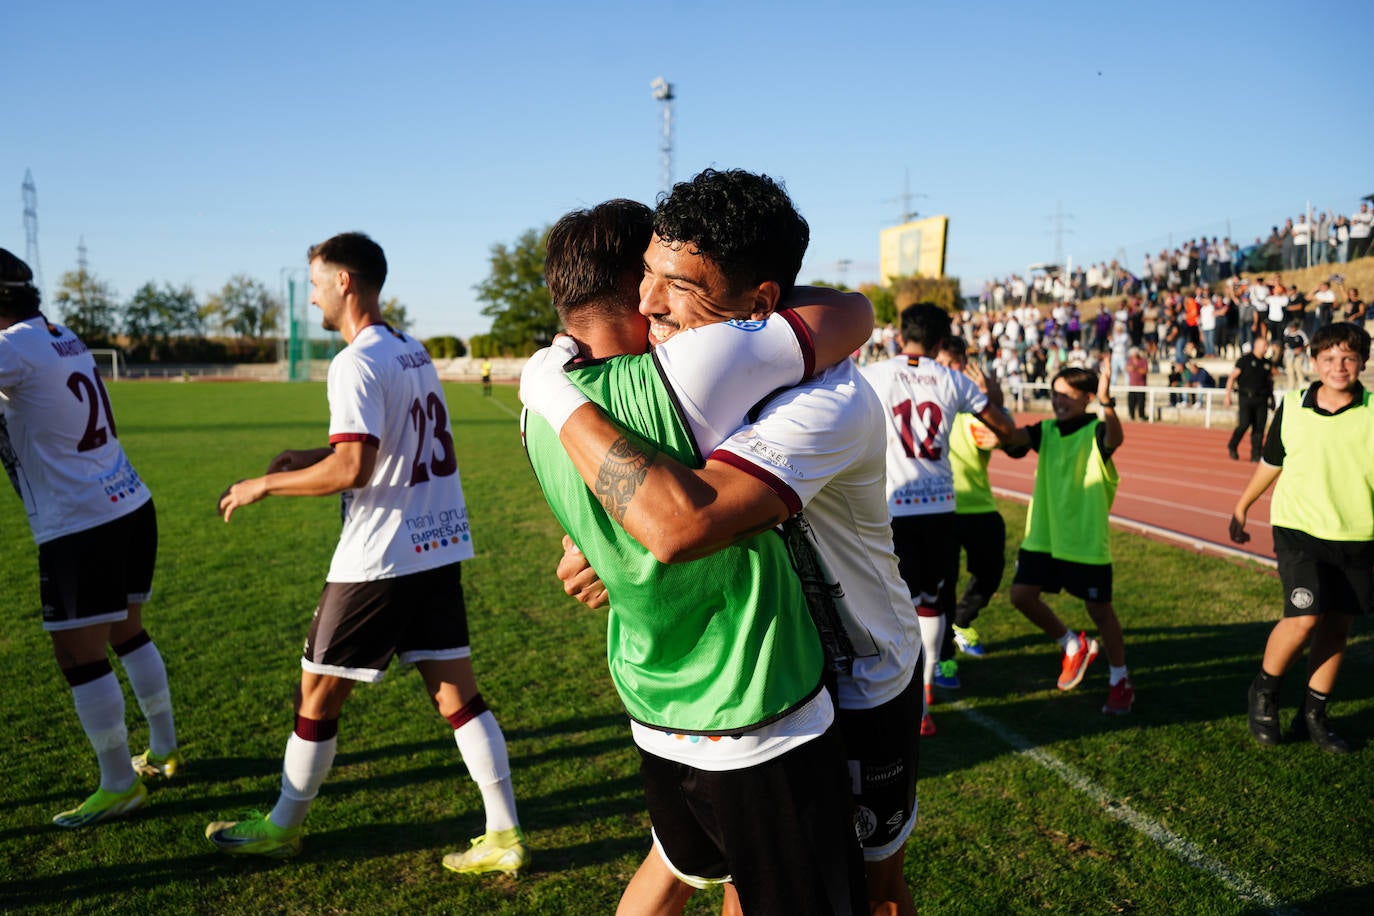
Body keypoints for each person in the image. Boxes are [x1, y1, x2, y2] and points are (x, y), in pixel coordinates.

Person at [520, 180, 871, 914]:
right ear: (634, 287)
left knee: (683, 869)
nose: (660, 298)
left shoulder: (534, 417)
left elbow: (597, 528)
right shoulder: (691, 370)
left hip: (652, 697)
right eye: (655, 277)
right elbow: (847, 312)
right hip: (754, 699)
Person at [209, 233, 525, 872]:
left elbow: (355, 467)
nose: (315, 297)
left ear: (346, 282)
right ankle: (504, 835)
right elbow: (386, 448)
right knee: (456, 695)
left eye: (319, 283)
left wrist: (265, 482)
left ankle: (281, 826)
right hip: (435, 544)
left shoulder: (354, 362)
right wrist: (307, 458)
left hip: (379, 558)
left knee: (315, 696)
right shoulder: (409, 350)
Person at [0, 248, 179, 827]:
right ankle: (164, 749)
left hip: (81, 522)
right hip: (128, 502)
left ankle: (119, 783)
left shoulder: (10, 349)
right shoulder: (60, 335)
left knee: (77, 653)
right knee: (128, 631)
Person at [859, 303, 1021, 735]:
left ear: (900, 337)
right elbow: (1002, 425)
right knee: (932, 604)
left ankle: (888, 694)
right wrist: (1012, 434)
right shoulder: (951, 378)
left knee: (889, 604)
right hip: (939, 507)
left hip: (891, 508)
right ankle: (924, 703)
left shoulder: (874, 374)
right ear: (937, 342)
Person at [1231, 322, 1374, 754]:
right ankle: (1265, 692)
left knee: (1336, 628)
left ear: (1364, 362)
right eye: (1329, 358)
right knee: (1304, 619)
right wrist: (1242, 506)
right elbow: (1272, 462)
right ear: (1313, 363)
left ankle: (1315, 714)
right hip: (1299, 529)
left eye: (1349, 357)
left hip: (1360, 534)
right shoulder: (1292, 406)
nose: (1339, 366)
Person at [1007, 360, 1134, 714]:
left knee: (1099, 611)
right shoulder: (1045, 430)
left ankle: (1119, 679)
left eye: (1067, 395)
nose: (1058, 401)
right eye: (1054, 394)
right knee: (1021, 596)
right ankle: (1072, 643)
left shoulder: (1095, 432)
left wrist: (1108, 403)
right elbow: (1014, 438)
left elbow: (1115, 438)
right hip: (1044, 538)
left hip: (1084, 541)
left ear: (1087, 398)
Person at [935, 337, 1011, 661]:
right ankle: (943, 659)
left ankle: (961, 622)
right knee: (939, 587)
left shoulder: (973, 410)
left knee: (991, 573)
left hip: (979, 506)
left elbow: (1009, 436)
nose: (955, 371)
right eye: (948, 364)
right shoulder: (916, 408)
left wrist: (998, 403)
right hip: (937, 510)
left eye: (959, 364)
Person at [1224, 338, 1277, 461]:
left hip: (1262, 398)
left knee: (1259, 427)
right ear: (1256, 346)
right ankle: (1232, 445)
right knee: (1244, 424)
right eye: (1264, 346)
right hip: (1246, 398)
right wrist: (1227, 396)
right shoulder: (1244, 360)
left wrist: (1272, 398)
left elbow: (1269, 382)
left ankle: (1256, 454)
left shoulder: (1267, 363)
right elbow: (1232, 377)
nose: (1266, 348)